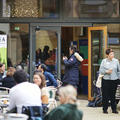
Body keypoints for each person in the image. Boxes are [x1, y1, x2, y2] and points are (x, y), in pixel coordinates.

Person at [99, 48, 120, 114]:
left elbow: (119, 71)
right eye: (111, 54)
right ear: (107, 55)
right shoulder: (104, 61)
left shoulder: (116, 61)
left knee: (113, 95)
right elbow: (101, 71)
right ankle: (105, 109)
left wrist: (119, 79)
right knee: (105, 95)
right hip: (106, 80)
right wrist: (106, 71)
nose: (113, 55)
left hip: (114, 80)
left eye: (113, 54)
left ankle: (114, 109)